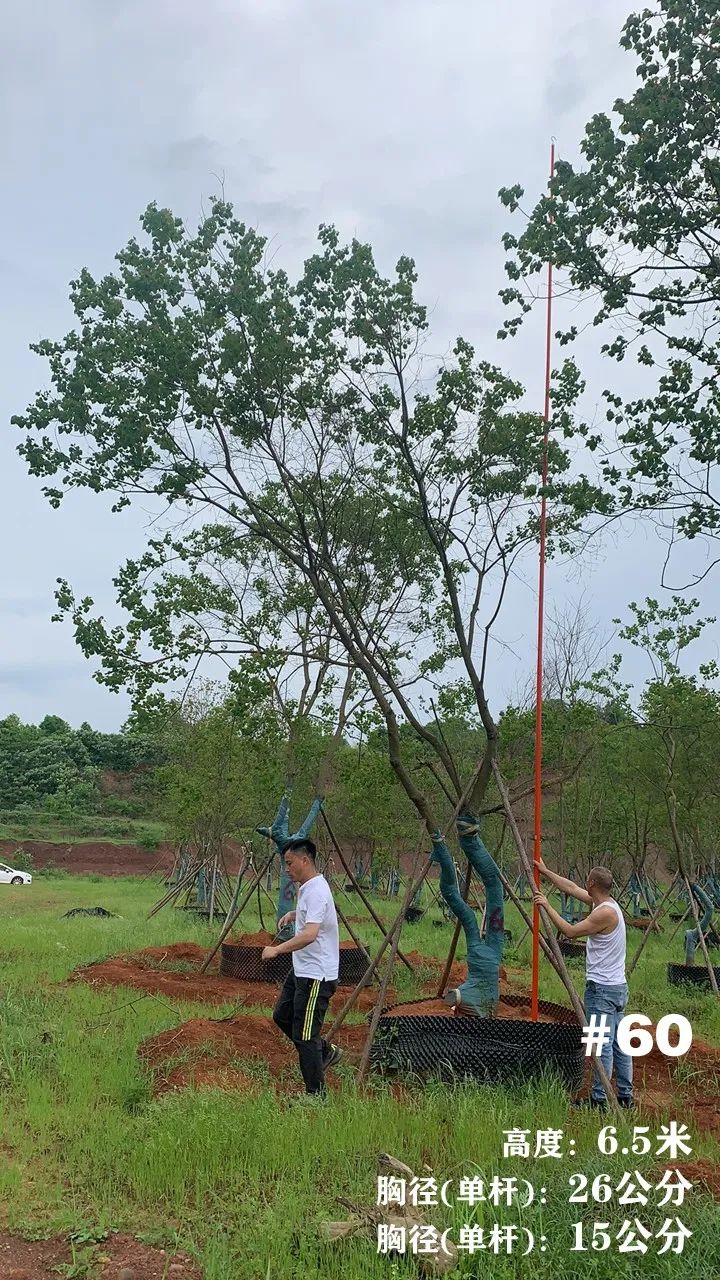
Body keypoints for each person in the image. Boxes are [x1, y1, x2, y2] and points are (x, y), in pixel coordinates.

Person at [532, 861, 633, 1110]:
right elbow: (570, 887)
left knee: (602, 1044)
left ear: (592, 884)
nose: (582, 886)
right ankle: (624, 1095)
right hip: (616, 987)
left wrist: (546, 905)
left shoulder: (603, 913)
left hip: (603, 990)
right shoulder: (605, 904)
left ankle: (600, 1099)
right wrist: (545, 871)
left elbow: (569, 932)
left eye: (586, 882)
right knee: (620, 1041)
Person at [262, 836, 343, 1099]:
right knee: (282, 1016)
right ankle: (325, 1053)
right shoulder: (307, 887)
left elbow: (309, 935)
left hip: (316, 975)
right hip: (301, 970)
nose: (286, 869)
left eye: (289, 863)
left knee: (305, 1036)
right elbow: (313, 916)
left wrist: (276, 949)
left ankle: (315, 1095)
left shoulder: (317, 889)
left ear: (305, 860)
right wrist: (294, 914)